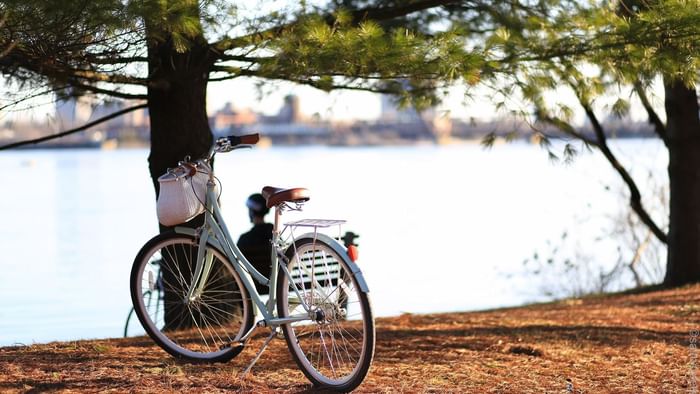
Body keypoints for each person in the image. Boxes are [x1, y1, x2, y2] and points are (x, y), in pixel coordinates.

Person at [237, 193, 273, 294]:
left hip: (250, 287)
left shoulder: (244, 239)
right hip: (274, 284)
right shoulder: (275, 236)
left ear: (252, 212)